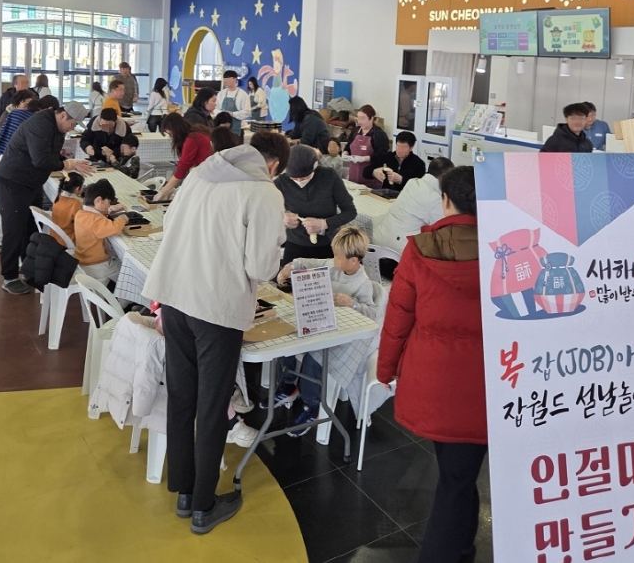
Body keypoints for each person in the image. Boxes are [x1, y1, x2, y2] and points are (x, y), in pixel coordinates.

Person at [141, 131, 290, 534]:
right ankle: (204, 506)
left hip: (174, 296)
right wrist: (278, 242)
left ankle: (185, 492)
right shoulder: (264, 192)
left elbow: (169, 220)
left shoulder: (203, 173)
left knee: (181, 397)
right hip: (216, 309)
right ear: (274, 165)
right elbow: (261, 267)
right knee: (211, 405)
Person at [377, 166, 487, 563]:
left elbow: (398, 316)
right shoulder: (511, 249)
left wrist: (386, 369)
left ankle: (446, 552)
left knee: (455, 478)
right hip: (495, 383)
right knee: (461, 477)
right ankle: (460, 547)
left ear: (445, 200)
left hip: (435, 381)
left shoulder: (420, 249)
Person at [269, 227, 375, 424]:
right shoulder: (333, 266)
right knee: (284, 338)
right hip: (321, 324)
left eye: (338, 256)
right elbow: (306, 262)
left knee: (313, 359)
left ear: (353, 260)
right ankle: (288, 384)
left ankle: (312, 404)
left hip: (343, 336)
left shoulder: (363, 283)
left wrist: (352, 303)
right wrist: (290, 267)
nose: (334, 259)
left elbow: (373, 314)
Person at [0, 102, 93, 294]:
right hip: (13, 181)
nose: (72, 128)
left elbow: (49, 153)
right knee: (14, 230)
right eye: (73, 123)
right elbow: (40, 160)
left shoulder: (56, 127)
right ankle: (9, 277)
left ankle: (28, 269)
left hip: (30, 183)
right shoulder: (41, 125)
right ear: (63, 115)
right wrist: (67, 164)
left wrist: (65, 161)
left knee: (31, 228)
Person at [275, 144, 357, 266]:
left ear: (314, 167)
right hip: (294, 245)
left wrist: (324, 224)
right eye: (294, 178)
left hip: (327, 245)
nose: (299, 181)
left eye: (304, 178)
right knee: (288, 277)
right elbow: (267, 214)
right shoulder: (280, 182)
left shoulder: (329, 176)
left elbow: (350, 211)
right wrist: (283, 219)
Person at [0, 96, 42, 255]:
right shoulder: (32, 121)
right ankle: (4, 242)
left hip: (4, 159)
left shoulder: (13, 114)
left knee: (2, 205)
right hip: (13, 165)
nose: (26, 105)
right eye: (25, 102)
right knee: (8, 208)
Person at [374, 156, 454, 255]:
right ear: (445, 176)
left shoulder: (412, 182)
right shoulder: (434, 198)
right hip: (399, 248)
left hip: (381, 237)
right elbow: (444, 228)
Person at [74, 179, 128, 286]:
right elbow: (115, 228)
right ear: (98, 200)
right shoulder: (96, 221)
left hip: (83, 261)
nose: (108, 205)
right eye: (108, 202)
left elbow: (98, 217)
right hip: (97, 265)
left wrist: (109, 210)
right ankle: (122, 297)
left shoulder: (80, 213)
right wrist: (123, 218)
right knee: (127, 272)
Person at [154, 113, 213, 200]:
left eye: (170, 133)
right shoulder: (195, 132)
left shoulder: (192, 139)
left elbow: (182, 169)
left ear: (175, 130)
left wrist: (162, 192)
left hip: (207, 177)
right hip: (207, 174)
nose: (170, 137)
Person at [344, 104, 390, 188]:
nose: (360, 121)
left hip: (370, 181)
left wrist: (363, 159)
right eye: (358, 118)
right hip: (353, 178)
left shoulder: (379, 135)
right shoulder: (355, 131)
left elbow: (382, 155)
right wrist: (345, 153)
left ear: (371, 118)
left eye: (363, 118)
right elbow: (348, 146)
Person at [0, 75, 31, 142]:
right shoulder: (6, 97)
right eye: (23, 82)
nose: (26, 85)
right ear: (15, 84)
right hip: (8, 133)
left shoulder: (33, 96)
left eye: (27, 83)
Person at [51, 172, 85, 246]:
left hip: (54, 236)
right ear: (77, 189)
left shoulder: (58, 196)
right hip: (67, 239)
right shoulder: (75, 203)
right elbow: (82, 223)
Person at [216, 70, 251, 135]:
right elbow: (215, 108)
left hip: (237, 129)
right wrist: (223, 114)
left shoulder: (242, 94)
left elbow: (247, 112)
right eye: (225, 79)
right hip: (222, 130)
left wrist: (232, 114)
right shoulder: (221, 94)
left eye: (228, 79)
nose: (226, 81)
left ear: (235, 79)